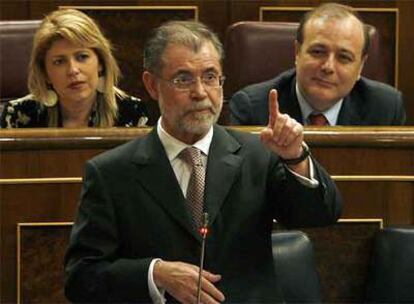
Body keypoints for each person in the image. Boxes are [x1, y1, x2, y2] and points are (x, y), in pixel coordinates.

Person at [64, 20, 342, 303]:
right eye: (183, 79)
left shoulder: (258, 154)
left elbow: (320, 214)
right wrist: (155, 274)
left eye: (210, 77)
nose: (200, 92)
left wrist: (296, 157)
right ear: (152, 85)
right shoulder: (111, 173)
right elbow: (81, 278)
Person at [230, 3, 406, 126]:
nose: (328, 67)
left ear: (361, 66)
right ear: (297, 53)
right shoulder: (252, 109)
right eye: (318, 52)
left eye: (344, 57)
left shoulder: (386, 109)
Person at [0, 9, 148, 128]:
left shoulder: (131, 112)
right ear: (45, 73)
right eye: (59, 61)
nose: (73, 70)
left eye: (82, 57)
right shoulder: (18, 116)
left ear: (100, 63)